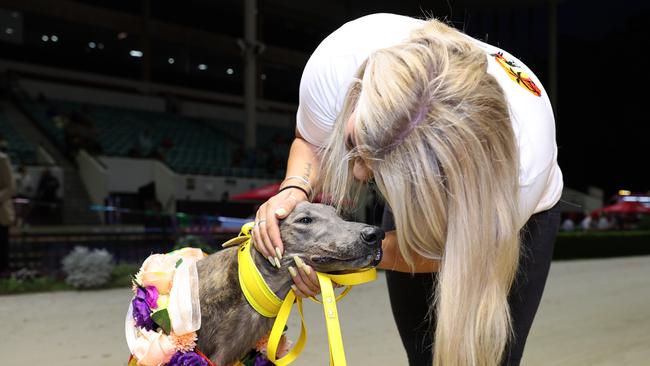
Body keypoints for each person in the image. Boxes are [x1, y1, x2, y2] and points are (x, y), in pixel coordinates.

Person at [251, 13, 563, 366]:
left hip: (500, 205)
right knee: (422, 354)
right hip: (416, 178)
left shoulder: (523, 165)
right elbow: (311, 141)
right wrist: (295, 188)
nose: (357, 171)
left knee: (493, 357)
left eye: (376, 161)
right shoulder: (339, 57)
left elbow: (448, 253)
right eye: (354, 141)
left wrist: (353, 254)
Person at [0, 147, 15, 275]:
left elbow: (11, 187)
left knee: (2, 248)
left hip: (0, 211)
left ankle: (4, 277)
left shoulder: (2, 159)